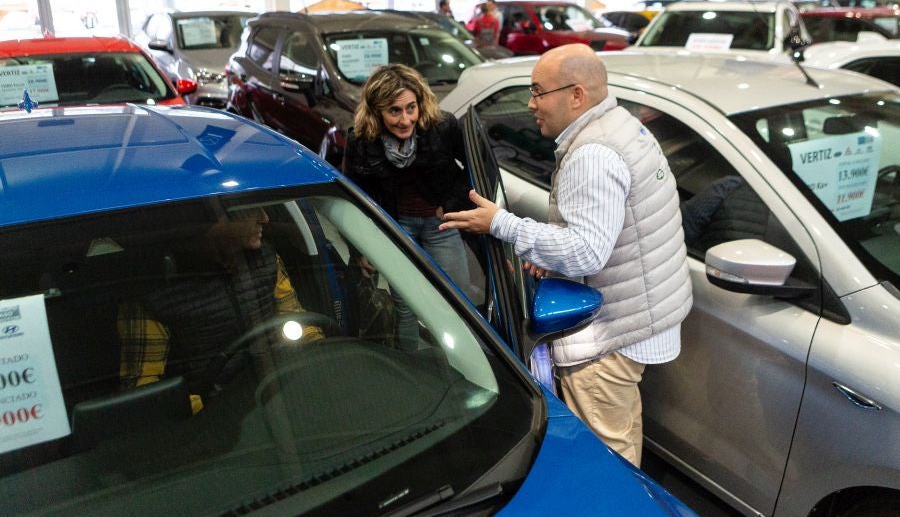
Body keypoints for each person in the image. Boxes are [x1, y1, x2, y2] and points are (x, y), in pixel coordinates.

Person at [440, 43, 693, 467]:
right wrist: (552, 252)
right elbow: (604, 229)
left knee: (602, 457)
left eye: (538, 92)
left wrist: (501, 224)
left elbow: (587, 252)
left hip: (609, 333)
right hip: (639, 314)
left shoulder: (593, 154)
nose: (530, 104)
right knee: (622, 431)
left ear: (576, 95)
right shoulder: (621, 126)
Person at [117, 206, 322, 413]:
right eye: (249, 210)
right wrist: (199, 408)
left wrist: (321, 355)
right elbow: (143, 388)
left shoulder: (266, 258)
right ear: (211, 223)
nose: (265, 218)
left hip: (280, 392)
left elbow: (295, 316)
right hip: (212, 418)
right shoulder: (153, 296)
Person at [343, 64, 473, 351]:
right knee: (405, 308)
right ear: (376, 111)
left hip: (440, 226)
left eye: (410, 108)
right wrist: (361, 249)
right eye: (394, 111)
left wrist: (451, 205)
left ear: (420, 103)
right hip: (396, 228)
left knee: (459, 304)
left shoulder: (442, 127)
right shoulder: (361, 141)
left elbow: (474, 170)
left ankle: (461, 366)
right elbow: (353, 198)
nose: (405, 120)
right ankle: (414, 367)